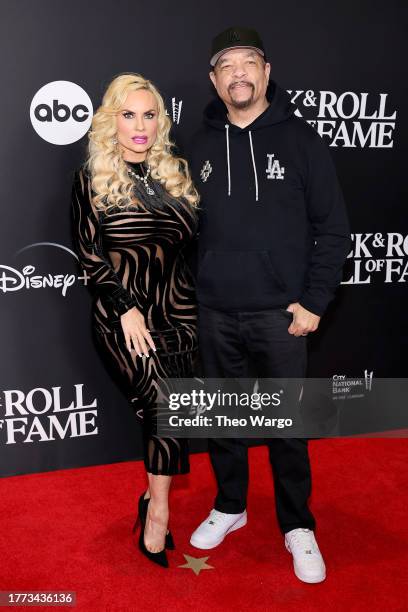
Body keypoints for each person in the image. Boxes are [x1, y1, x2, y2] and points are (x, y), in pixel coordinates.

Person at [186, 27, 351, 583]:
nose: (238, 73)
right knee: (225, 421)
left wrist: (313, 302)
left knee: (287, 427)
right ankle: (230, 506)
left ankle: (297, 525)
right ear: (213, 80)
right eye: (226, 65)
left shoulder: (303, 140)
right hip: (214, 309)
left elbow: (333, 229)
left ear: (266, 71)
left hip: (283, 314)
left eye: (248, 62)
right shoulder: (197, 145)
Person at [70, 73, 200, 568]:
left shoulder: (175, 175)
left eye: (148, 115)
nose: (140, 126)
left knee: (173, 413)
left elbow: (186, 253)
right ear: (112, 120)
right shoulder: (92, 177)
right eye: (128, 115)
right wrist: (125, 308)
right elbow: (88, 255)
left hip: (178, 315)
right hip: (120, 316)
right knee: (164, 407)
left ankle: (151, 501)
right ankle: (160, 513)